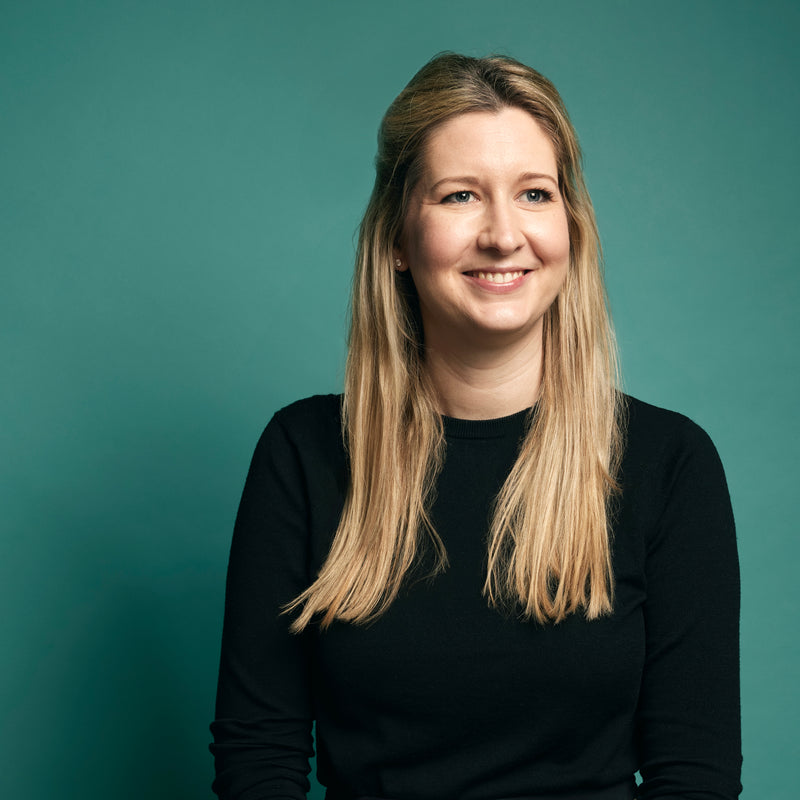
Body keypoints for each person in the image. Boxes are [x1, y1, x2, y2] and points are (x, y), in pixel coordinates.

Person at [209, 53, 742, 800]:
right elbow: (257, 754)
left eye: (534, 193)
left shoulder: (669, 463)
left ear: (570, 228)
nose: (502, 234)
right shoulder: (303, 454)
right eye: (460, 195)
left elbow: (697, 773)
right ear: (397, 239)